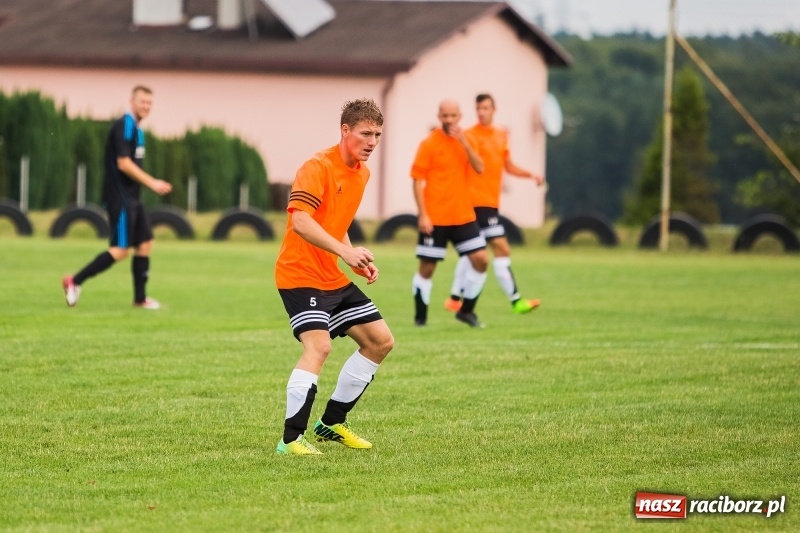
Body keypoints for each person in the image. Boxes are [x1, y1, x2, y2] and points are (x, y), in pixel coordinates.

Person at [274, 98, 394, 456]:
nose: (372, 141)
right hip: (299, 274)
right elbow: (302, 221)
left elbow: (334, 224)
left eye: (378, 134)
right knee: (320, 346)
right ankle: (291, 440)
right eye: (365, 133)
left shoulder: (362, 173)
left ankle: (330, 423)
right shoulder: (317, 166)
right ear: (345, 131)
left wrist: (353, 256)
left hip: (331, 275)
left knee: (379, 341)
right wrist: (345, 253)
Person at [62, 85, 172, 309]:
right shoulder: (125, 125)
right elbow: (123, 163)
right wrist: (152, 182)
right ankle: (74, 281)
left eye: (150, 103)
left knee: (145, 243)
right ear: (132, 101)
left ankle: (140, 299)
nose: (146, 106)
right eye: (143, 102)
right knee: (121, 250)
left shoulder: (138, 130)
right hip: (120, 198)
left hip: (133, 198)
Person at [445, 93, 545, 315]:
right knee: (501, 247)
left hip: (490, 202)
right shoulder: (468, 135)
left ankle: (454, 298)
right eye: (478, 108)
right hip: (474, 202)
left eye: (486, 108)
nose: (482, 112)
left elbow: (507, 166)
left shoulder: (501, 135)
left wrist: (530, 175)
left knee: (474, 250)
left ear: (493, 109)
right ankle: (516, 301)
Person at [410, 99, 490, 328]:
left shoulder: (468, 139)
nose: (449, 120)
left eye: (453, 116)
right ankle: (420, 319)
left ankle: (466, 311)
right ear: (439, 116)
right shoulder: (429, 143)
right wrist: (422, 214)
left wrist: (464, 143)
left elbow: (480, 168)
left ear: (460, 116)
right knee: (427, 268)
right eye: (445, 116)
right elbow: (417, 181)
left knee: (482, 260)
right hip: (435, 218)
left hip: (463, 215)